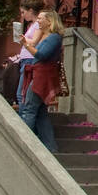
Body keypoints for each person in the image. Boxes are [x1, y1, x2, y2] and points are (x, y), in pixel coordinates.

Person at [19, 10, 65, 154]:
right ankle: (51, 147)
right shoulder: (47, 36)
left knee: (29, 109)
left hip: (42, 76)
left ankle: (25, 145)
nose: (37, 21)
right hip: (39, 74)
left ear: (49, 21)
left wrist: (26, 45)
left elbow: (41, 55)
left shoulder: (53, 38)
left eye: (40, 18)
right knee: (40, 112)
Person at [3, 0, 46, 108]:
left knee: (22, 94)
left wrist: (23, 39)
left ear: (31, 11)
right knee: (22, 93)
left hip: (30, 60)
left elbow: (34, 42)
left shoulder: (38, 24)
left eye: (23, 12)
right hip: (26, 59)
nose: (22, 15)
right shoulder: (33, 25)